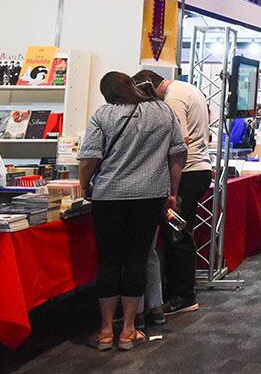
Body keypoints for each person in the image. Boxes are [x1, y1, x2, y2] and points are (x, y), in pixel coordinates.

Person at [79, 72, 186, 350]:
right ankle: (128, 330)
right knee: (137, 258)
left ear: (107, 94)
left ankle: (105, 331)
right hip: (148, 196)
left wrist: (85, 186)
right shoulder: (162, 111)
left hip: (108, 197)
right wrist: (172, 192)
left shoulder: (103, 115)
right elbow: (178, 153)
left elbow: (89, 157)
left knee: (110, 259)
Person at [131, 70, 212, 316]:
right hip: (194, 170)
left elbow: (180, 141)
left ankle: (183, 296)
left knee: (178, 235)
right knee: (179, 233)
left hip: (187, 172)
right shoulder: (186, 89)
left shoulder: (174, 98)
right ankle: (179, 291)